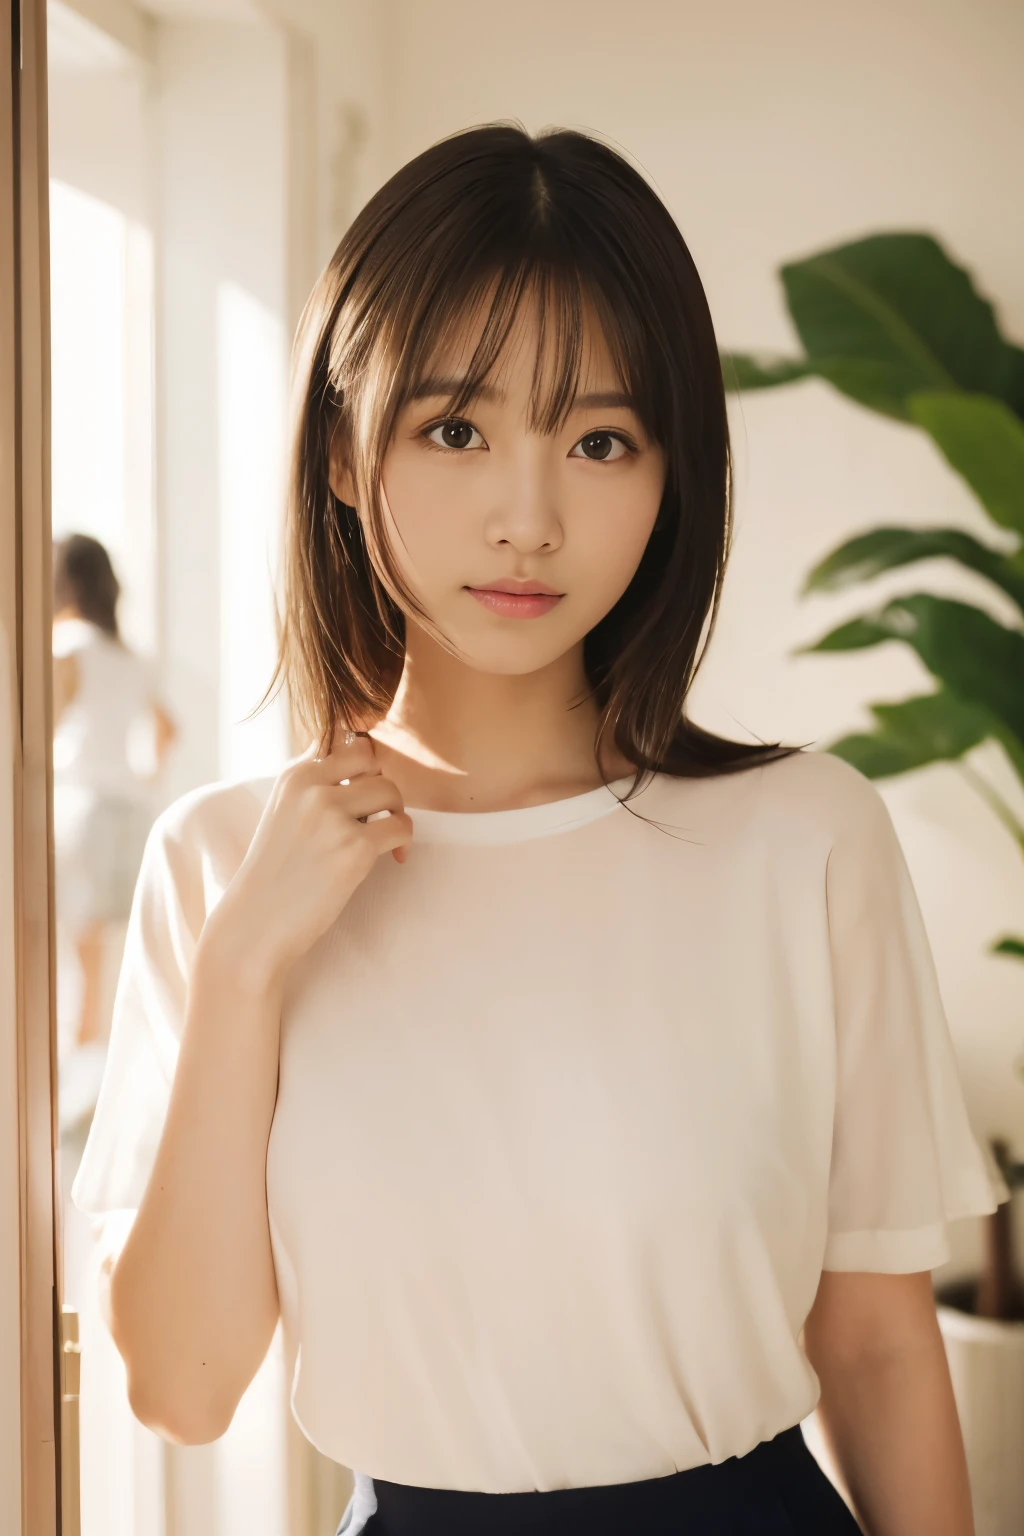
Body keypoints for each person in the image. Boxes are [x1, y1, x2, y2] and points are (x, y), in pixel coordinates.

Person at [72, 125, 1006, 1536]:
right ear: (342, 451)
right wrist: (246, 971)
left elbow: (877, 1351)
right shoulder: (222, 870)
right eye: (456, 430)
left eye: (601, 439)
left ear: (668, 473)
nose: (530, 516)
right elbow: (185, 1390)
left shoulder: (804, 840)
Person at [53, 533, 177, 1128]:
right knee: (108, 952)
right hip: (130, 809)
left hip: (80, 810)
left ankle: (74, 1085)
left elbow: (40, 731)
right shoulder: (131, 657)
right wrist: (143, 779)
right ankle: (93, 1081)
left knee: (72, 952)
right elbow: (166, 730)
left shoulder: (67, 649)